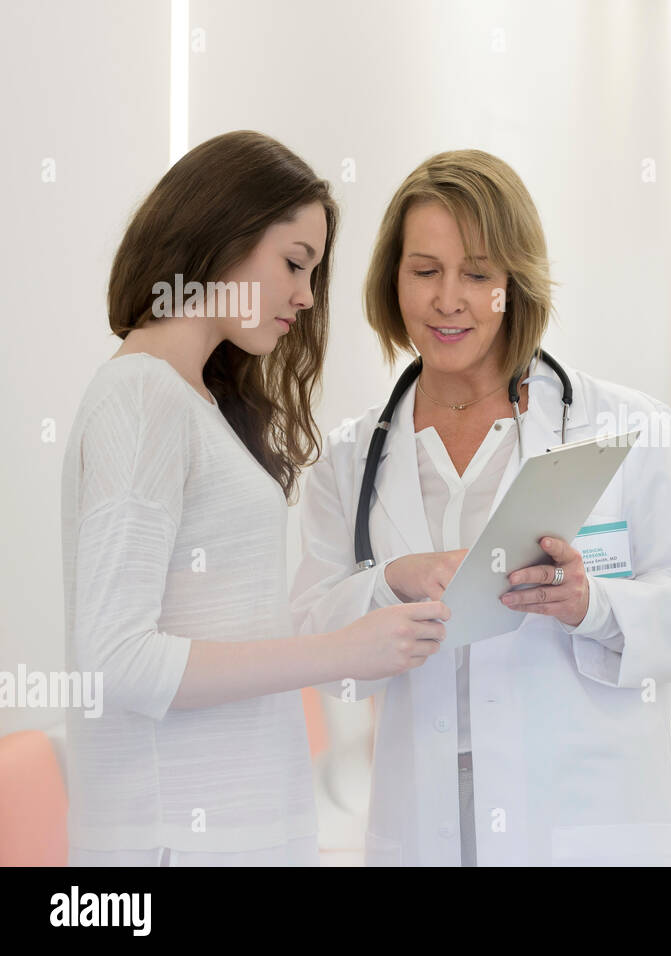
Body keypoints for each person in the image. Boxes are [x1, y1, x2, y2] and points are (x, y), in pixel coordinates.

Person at [289, 148, 671, 866]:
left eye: (477, 274)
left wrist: (592, 604)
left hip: (584, 820)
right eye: (425, 271)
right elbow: (317, 647)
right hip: (428, 826)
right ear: (391, 281)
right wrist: (390, 582)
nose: (447, 300)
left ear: (514, 284)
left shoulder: (626, 428)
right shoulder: (349, 459)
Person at [61, 131, 446, 867]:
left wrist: (384, 585)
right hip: (173, 840)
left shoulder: (195, 402)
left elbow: (233, 626)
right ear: (219, 235)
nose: (305, 296)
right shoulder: (141, 398)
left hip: (234, 831)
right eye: (294, 264)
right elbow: (119, 659)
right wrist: (334, 651)